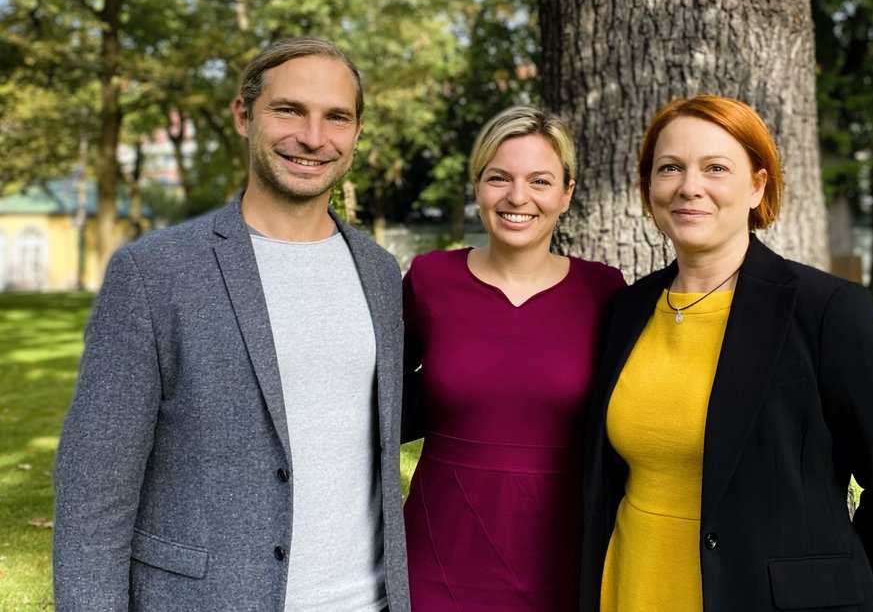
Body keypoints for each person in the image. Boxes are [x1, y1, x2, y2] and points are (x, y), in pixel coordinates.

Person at [53, 37, 409, 612]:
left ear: (356, 131)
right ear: (244, 116)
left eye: (336, 117)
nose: (313, 137)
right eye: (289, 110)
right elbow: (93, 494)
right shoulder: (155, 272)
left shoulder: (380, 273)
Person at [580, 95, 873, 612]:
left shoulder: (825, 310)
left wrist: (844, 591)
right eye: (670, 168)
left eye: (716, 168)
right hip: (631, 588)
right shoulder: (627, 309)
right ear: (649, 187)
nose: (690, 186)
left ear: (757, 185)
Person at [401, 107, 625, 611]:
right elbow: (373, 398)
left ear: (566, 193)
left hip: (565, 563)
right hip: (438, 562)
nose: (517, 197)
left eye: (540, 181)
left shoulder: (604, 291)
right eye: (499, 178)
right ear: (478, 186)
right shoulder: (431, 279)